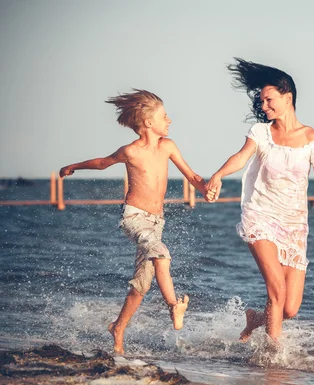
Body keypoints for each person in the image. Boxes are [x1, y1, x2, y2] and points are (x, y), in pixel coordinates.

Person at [59, 89, 207, 354]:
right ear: (149, 122)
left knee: (142, 284)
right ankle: (174, 305)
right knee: (161, 254)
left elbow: (192, 176)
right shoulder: (131, 151)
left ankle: (118, 328)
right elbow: (103, 163)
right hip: (134, 218)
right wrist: (74, 166)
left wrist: (206, 189)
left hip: (156, 223)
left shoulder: (168, 146)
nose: (169, 120)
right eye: (164, 116)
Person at [205, 58, 314, 344]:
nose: (264, 106)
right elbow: (241, 158)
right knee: (276, 289)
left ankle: (256, 319)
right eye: (262, 101)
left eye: (269, 100)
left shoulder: (311, 137)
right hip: (260, 217)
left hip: (295, 225)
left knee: (289, 307)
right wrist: (218, 174)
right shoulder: (261, 133)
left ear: (287, 96)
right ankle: (273, 357)